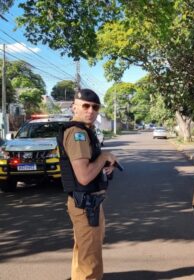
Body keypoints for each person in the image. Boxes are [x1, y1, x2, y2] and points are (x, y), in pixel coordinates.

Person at [58, 88, 117, 280]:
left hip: (87, 202)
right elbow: (83, 176)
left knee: (83, 253)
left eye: (95, 107)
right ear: (74, 107)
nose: (90, 110)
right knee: (89, 261)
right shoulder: (77, 134)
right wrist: (104, 157)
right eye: (85, 105)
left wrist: (106, 165)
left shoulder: (86, 131)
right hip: (85, 204)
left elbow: (92, 165)